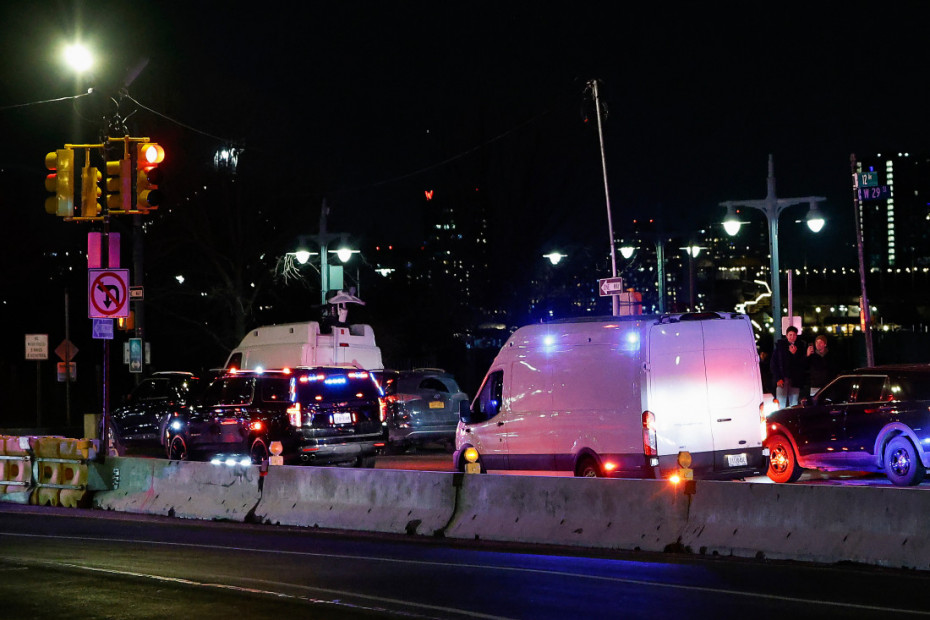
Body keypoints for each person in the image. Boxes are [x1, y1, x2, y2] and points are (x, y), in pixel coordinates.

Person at [770, 325, 807, 406]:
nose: (792, 337)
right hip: (782, 379)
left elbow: (802, 364)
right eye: (790, 335)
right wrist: (778, 378)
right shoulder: (780, 346)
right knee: (781, 402)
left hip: (795, 380)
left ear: (796, 336)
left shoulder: (801, 347)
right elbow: (774, 364)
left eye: (794, 335)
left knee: (794, 403)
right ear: (786, 335)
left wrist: (795, 354)